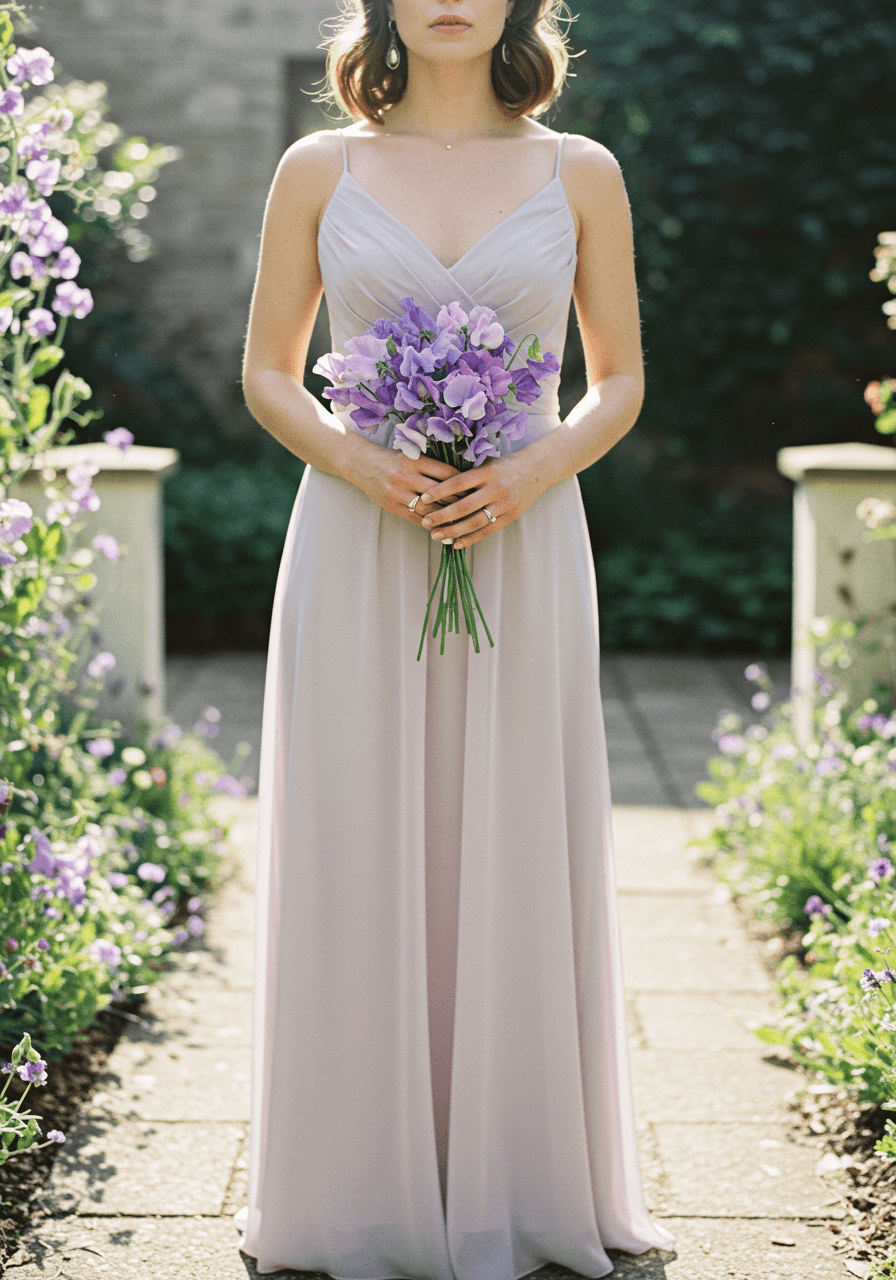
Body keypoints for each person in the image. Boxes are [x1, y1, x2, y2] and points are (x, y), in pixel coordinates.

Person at [236, 1, 677, 1276]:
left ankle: (517, 1173)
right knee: (357, 826)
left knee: (514, 825)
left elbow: (617, 379)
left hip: (519, 538)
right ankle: (351, 1183)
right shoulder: (316, 167)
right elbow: (268, 371)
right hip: (356, 538)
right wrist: (364, 463)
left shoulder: (578, 170)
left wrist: (529, 471)